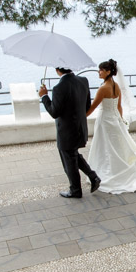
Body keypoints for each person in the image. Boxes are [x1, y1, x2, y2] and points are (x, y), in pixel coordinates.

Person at [86, 59, 136, 193]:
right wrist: (120, 120)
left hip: (105, 121)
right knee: (115, 147)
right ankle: (118, 169)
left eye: (101, 70)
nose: (99, 72)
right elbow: (119, 106)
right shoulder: (116, 86)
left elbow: (93, 107)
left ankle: (109, 173)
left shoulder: (103, 88)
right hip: (114, 120)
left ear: (108, 72)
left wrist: (82, 116)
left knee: (105, 147)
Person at [39, 67, 101, 198]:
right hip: (80, 127)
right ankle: (93, 176)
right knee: (73, 155)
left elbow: (54, 112)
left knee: (69, 161)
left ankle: (76, 190)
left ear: (57, 70)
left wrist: (44, 96)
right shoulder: (83, 80)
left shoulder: (58, 88)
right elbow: (87, 107)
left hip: (66, 131)